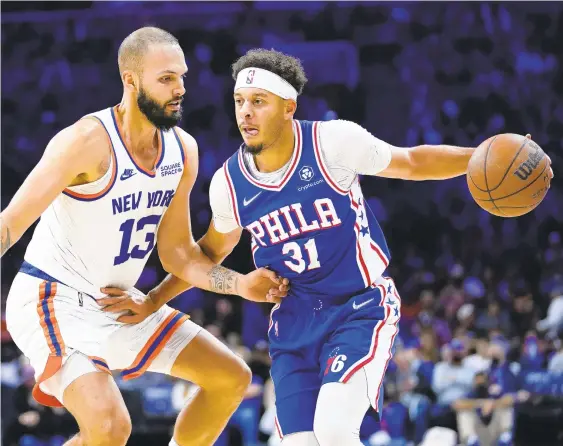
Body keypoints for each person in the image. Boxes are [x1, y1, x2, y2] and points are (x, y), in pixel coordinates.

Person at [102, 48, 551, 445]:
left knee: (335, 431)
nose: (246, 113)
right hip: (293, 325)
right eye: (239, 102)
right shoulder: (229, 184)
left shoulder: (333, 142)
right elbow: (208, 255)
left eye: (258, 102)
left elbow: (412, 161)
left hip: (358, 307)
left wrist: (482, 156)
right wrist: (159, 299)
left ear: (288, 107)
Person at [0, 28, 289, 446]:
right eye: (167, 79)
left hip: (117, 302)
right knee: (111, 427)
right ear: (131, 81)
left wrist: (240, 284)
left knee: (230, 378)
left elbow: (178, 256)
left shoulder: (182, 150)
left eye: (183, 78)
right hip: (51, 299)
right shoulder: (85, 142)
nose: (180, 89)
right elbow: (11, 223)